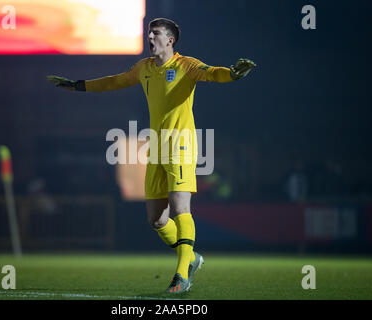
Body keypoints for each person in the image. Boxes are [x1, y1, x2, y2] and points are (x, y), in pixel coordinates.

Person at [47, 18, 256, 294]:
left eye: (155, 33)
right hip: (157, 146)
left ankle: (182, 275)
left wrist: (233, 73)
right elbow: (115, 81)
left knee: (181, 207)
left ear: (170, 40)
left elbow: (213, 73)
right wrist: (79, 85)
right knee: (156, 220)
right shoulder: (143, 68)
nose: (150, 37)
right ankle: (191, 258)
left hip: (181, 145)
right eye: (149, 32)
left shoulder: (185, 65)